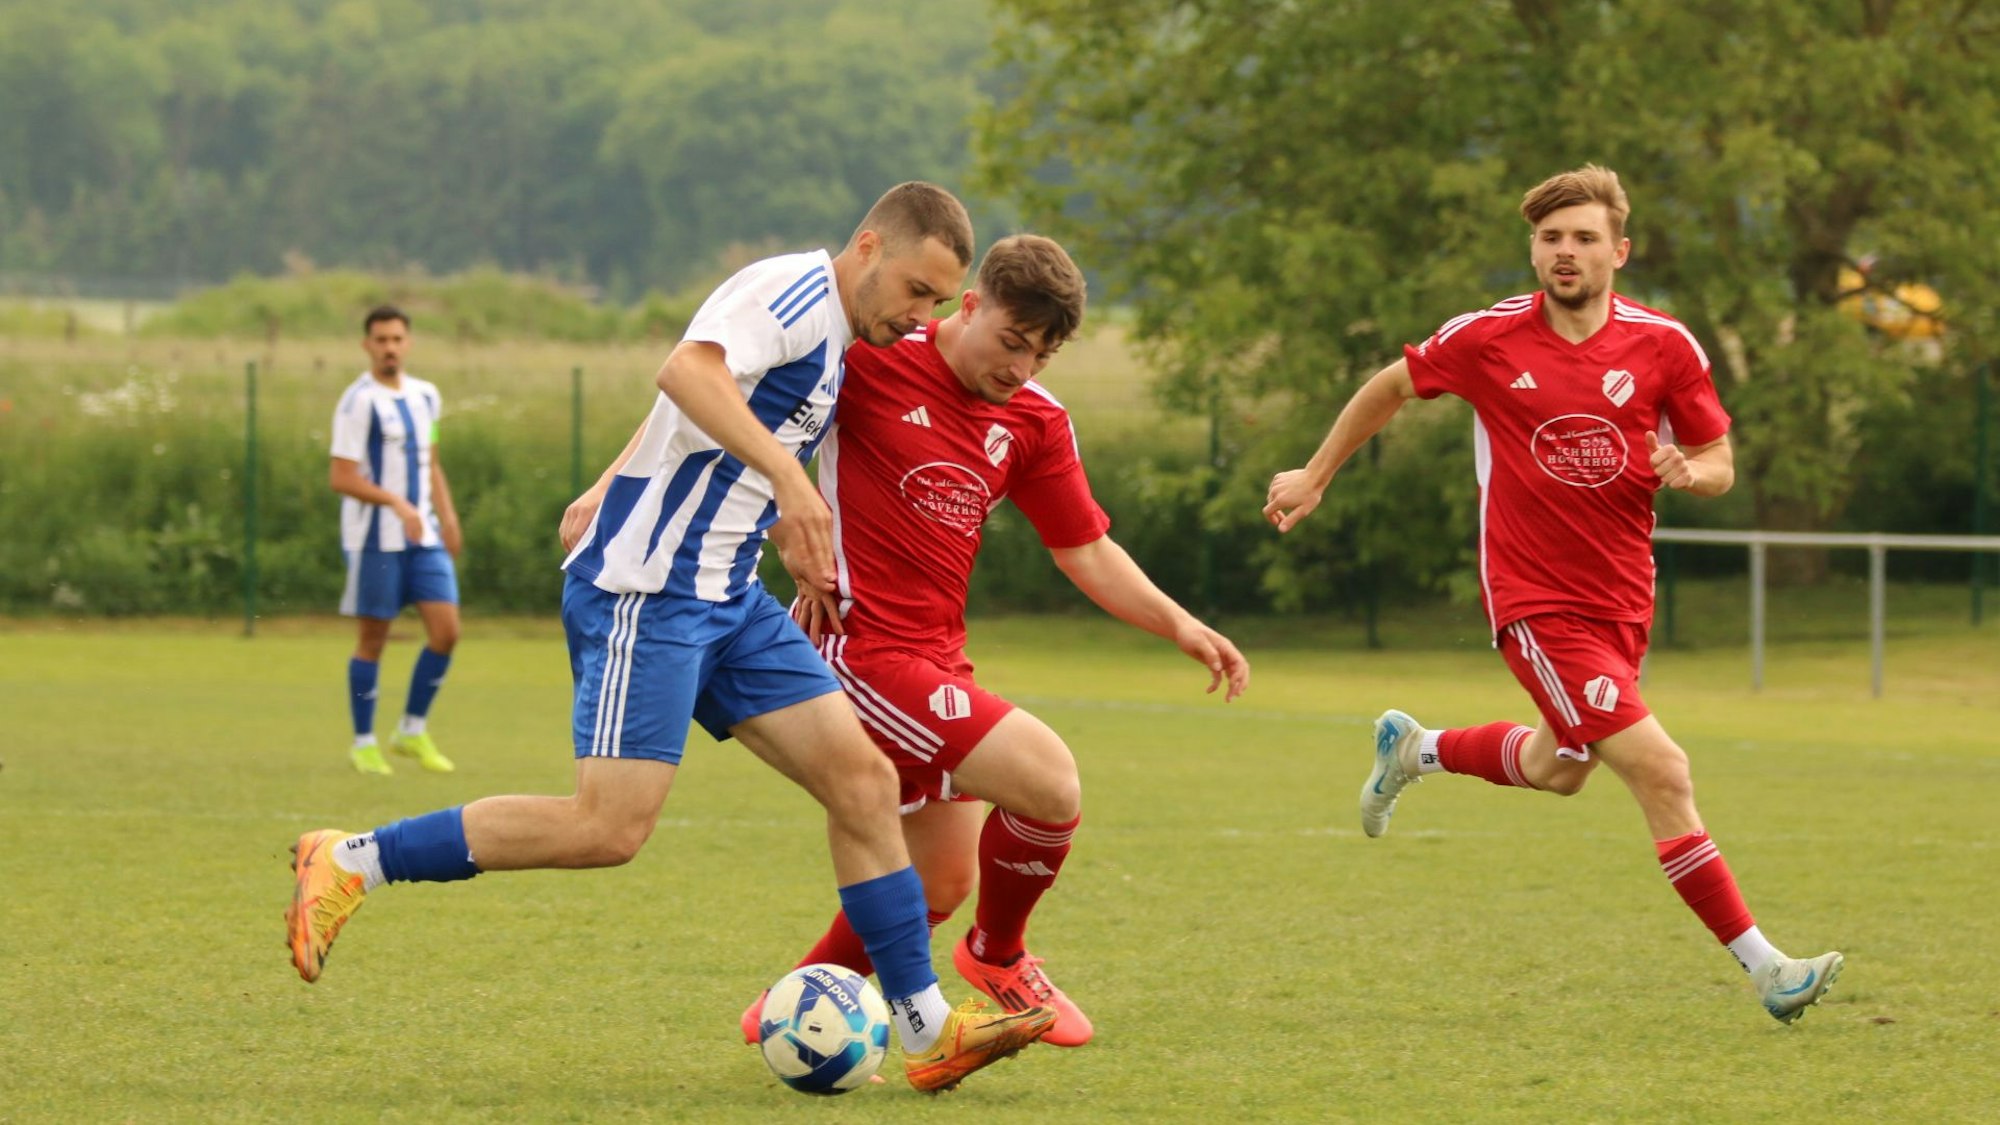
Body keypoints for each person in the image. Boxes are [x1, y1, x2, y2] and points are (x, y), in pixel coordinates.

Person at [287, 182, 1055, 1094]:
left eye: (937, 300)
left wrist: (645, 483)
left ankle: (927, 1028)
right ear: (867, 247)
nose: (920, 314)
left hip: (729, 593)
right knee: (608, 827)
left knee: (865, 779)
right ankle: (349, 859)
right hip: (647, 591)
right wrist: (789, 485)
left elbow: (701, 415)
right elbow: (687, 372)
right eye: (918, 292)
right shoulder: (793, 294)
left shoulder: (846, 335)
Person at [1262, 165, 1843, 1024]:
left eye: (1582, 237)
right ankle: (1768, 968)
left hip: (1622, 601)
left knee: (1560, 767)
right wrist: (1315, 474)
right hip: (1535, 600)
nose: (1564, 252)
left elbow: (1720, 459)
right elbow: (1388, 387)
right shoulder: (1488, 338)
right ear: (1534, 250)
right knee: (1663, 771)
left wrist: (1692, 472)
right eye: (1549, 238)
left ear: (1620, 250)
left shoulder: (1666, 346)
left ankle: (1415, 749)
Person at [730, 234, 1250, 1048]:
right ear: (968, 303)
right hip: (856, 649)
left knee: (941, 876)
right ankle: (997, 955)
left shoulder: (1037, 420)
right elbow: (733, 412)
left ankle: (793, 1001)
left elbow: (1084, 548)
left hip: (934, 656)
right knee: (1049, 780)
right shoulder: (868, 359)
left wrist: (1178, 621)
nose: (1021, 369)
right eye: (1011, 342)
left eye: (1042, 354)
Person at [328, 306, 462, 775]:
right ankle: (364, 741)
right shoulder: (357, 402)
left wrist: (446, 515)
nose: (389, 347)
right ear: (367, 345)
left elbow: (432, 460)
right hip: (375, 538)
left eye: (396, 339)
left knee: (447, 631)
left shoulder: (427, 396)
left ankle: (410, 730)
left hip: (422, 534)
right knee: (374, 639)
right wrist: (396, 503)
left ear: (408, 343)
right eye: (380, 340)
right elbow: (341, 477)